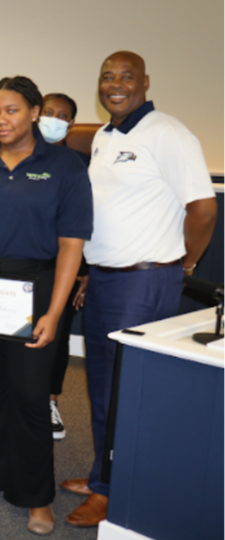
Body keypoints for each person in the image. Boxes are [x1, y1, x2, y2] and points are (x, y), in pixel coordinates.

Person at [63, 51, 217, 528]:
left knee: (127, 389)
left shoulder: (168, 133)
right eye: (107, 77)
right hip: (108, 278)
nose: (116, 85)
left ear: (145, 82)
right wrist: (91, 270)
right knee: (100, 387)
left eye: (126, 77)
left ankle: (114, 490)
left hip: (145, 280)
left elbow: (204, 209)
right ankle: (102, 474)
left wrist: (183, 262)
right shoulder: (107, 136)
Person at [0, 76, 92, 536]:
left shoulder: (64, 165)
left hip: (39, 287)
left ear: (34, 112)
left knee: (29, 397)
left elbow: (71, 246)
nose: (1, 119)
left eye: (11, 110)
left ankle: (34, 496)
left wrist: (55, 311)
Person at [40, 91, 90, 441]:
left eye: (62, 115)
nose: (53, 118)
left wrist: (85, 272)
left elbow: (87, 222)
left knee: (56, 338)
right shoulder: (13, 154)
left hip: (67, 266)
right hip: (22, 264)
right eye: (47, 112)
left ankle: (50, 401)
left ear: (71, 124)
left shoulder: (81, 162)